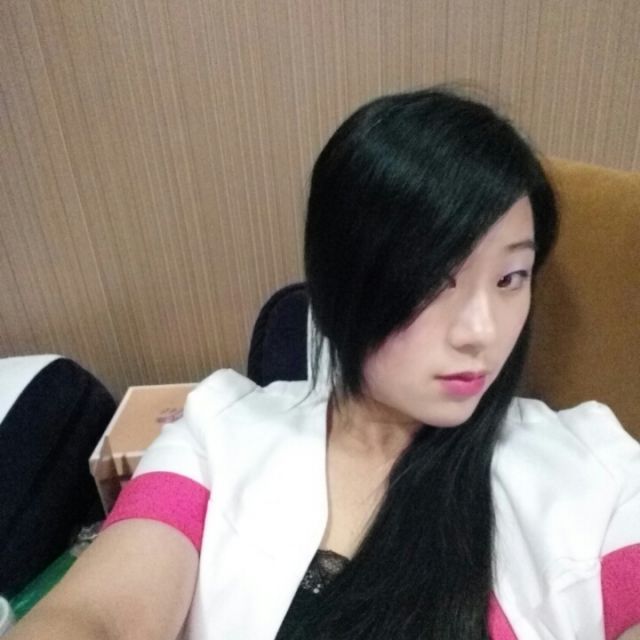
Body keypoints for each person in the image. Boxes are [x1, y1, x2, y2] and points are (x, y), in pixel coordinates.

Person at [8, 88, 639, 640]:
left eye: (510, 278)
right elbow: (100, 615)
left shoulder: (597, 468)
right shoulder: (219, 433)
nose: (482, 332)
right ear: (343, 281)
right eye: (436, 281)